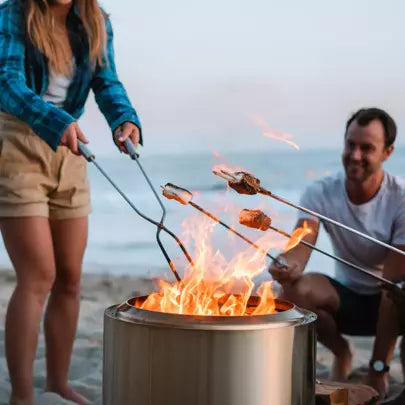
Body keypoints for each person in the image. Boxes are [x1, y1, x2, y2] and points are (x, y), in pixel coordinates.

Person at [0, 0, 142, 404]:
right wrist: (54, 120)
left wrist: (124, 119)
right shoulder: (13, 13)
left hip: (71, 148)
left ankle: (57, 384)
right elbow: (6, 83)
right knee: (37, 276)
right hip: (16, 143)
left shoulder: (97, 20)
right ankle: (22, 394)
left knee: (71, 278)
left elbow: (107, 81)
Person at [269, 107, 405, 398]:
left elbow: (393, 285)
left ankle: (379, 369)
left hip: (394, 308)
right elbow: (301, 244)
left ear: (387, 152)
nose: (355, 155)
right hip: (348, 302)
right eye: (351, 145)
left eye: (366, 148)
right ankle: (342, 352)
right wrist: (286, 264)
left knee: (398, 288)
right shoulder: (319, 193)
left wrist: (379, 366)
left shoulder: (401, 199)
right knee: (293, 289)